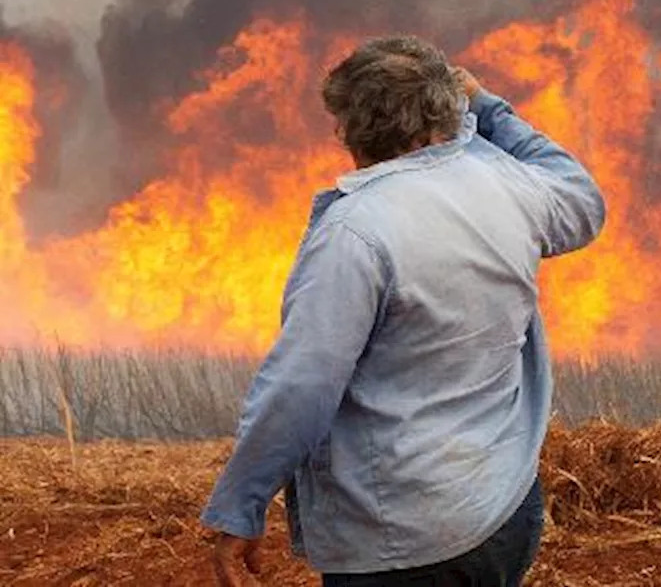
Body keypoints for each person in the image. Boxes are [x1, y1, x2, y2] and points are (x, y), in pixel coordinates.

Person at [199, 35, 606, 586]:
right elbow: (581, 198)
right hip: (501, 511)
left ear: (348, 129)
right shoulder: (506, 185)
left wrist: (240, 506)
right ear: (443, 111)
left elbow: (301, 386)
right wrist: (488, 110)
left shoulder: (355, 233)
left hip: (401, 539)